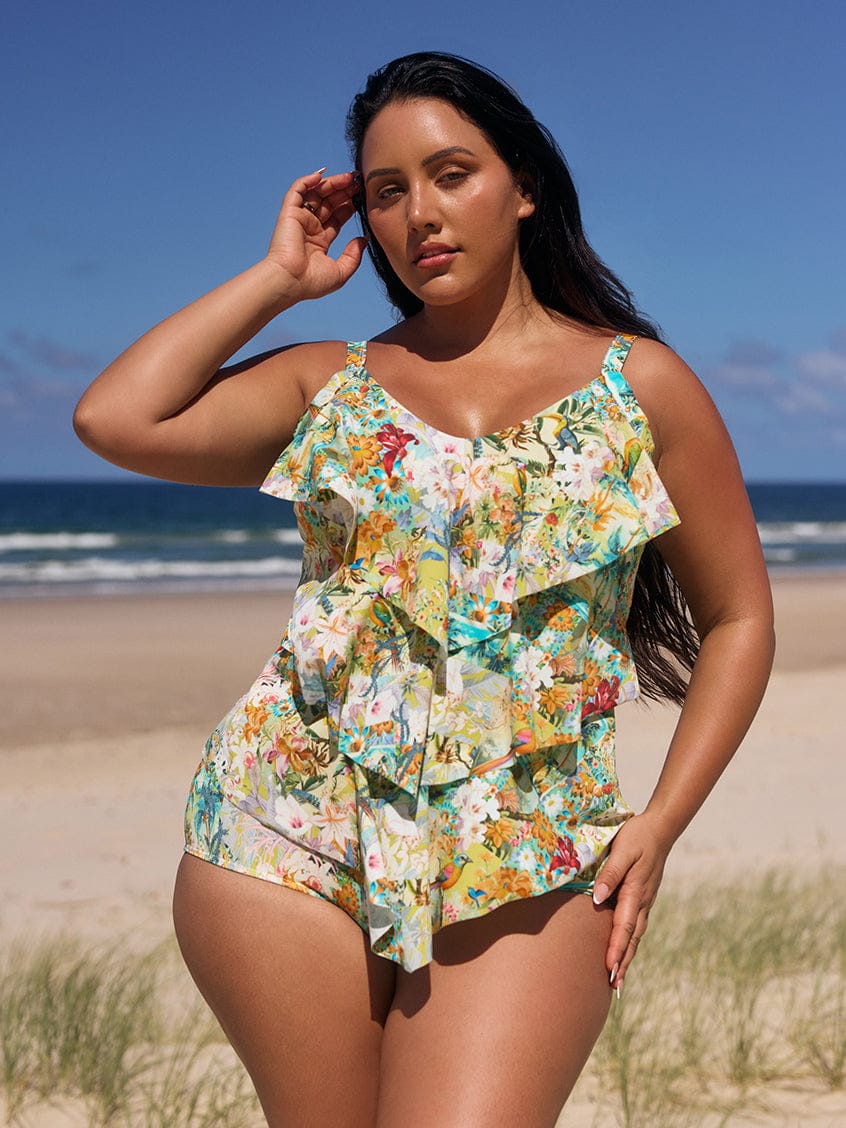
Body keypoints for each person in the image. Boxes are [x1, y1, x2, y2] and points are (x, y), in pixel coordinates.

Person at [73, 51, 774, 1128]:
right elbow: (117, 419)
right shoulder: (329, 384)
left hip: (529, 852)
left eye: (452, 174)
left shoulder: (643, 389)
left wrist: (662, 823)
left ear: (524, 185)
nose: (420, 215)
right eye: (389, 191)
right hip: (285, 836)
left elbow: (738, 618)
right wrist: (280, 280)